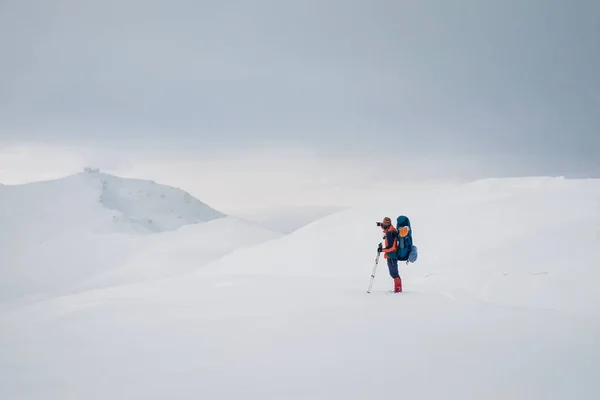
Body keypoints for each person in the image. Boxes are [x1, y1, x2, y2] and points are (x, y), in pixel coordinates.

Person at [378, 216, 402, 292]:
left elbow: (392, 247)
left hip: (392, 255)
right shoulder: (391, 228)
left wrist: (382, 250)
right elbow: (385, 227)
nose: (383, 226)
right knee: (393, 273)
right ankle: (398, 288)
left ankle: (398, 289)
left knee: (394, 273)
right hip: (391, 255)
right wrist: (380, 224)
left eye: (384, 225)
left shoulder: (390, 234)